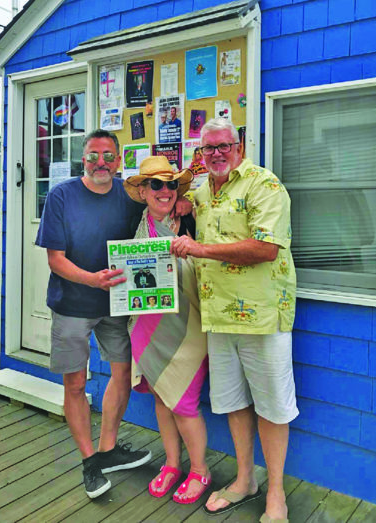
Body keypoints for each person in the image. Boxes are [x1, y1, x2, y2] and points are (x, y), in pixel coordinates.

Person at [171, 118, 298, 523]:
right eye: (208, 148)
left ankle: (276, 493)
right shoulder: (203, 190)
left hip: (262, 315)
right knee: (233, 403)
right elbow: (172, 191)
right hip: (218, 314)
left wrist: (199, 249)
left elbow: (266, 248)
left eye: (224, 145)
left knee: (273, 406)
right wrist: (177, 200)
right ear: (201, 153)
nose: (217, 154)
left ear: (239, 146)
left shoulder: (264, 184)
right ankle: (245, 480)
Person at [35, 129, 154, 499]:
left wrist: (181, 204)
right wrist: (92, 280)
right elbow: (55, 260)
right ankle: (89, 461)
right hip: (72, 305)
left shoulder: (130, 196)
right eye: (92, 155)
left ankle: (108, 449)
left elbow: (158, 207)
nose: (100, 162)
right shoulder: (61, 196)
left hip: (117, 306)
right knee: (75, 384)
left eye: (107, 156)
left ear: (118, 161)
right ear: (82, 159)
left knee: (122, 373)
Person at [124, 156, 211, 505]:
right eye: (156, 184)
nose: (164, 191)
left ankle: (200, 469)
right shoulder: (139, 224)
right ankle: (173, 464)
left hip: (187, 324)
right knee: (161, 396)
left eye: (170, 184)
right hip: (147, 324)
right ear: (143, 191)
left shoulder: (192, 217)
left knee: (185, 402)